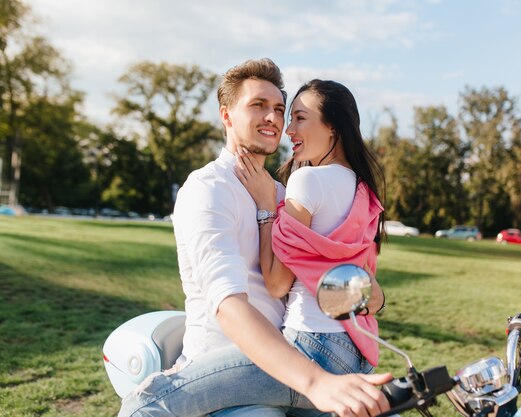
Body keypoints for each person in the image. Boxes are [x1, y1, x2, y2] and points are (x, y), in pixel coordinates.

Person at [117, 59, 391, 417]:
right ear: (227, 116)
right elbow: (228, 307)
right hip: (230, 359)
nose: (275, 119)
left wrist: (368, 296)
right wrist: (313, 380)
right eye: (258, 106)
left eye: (280, 109)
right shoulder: (208, 188)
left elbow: (324, 276)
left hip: (293, 361)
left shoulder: (285, 194)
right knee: (141, 407)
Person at [234, 78, 387, 378]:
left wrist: (267, 209)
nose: (288, 130)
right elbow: (373, 294)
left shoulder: (307, 180)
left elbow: (277, 284)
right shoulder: (365, 193)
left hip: (311, 344)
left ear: (333, 127)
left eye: (300, 118)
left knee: (164, 394)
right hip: (357, 350)